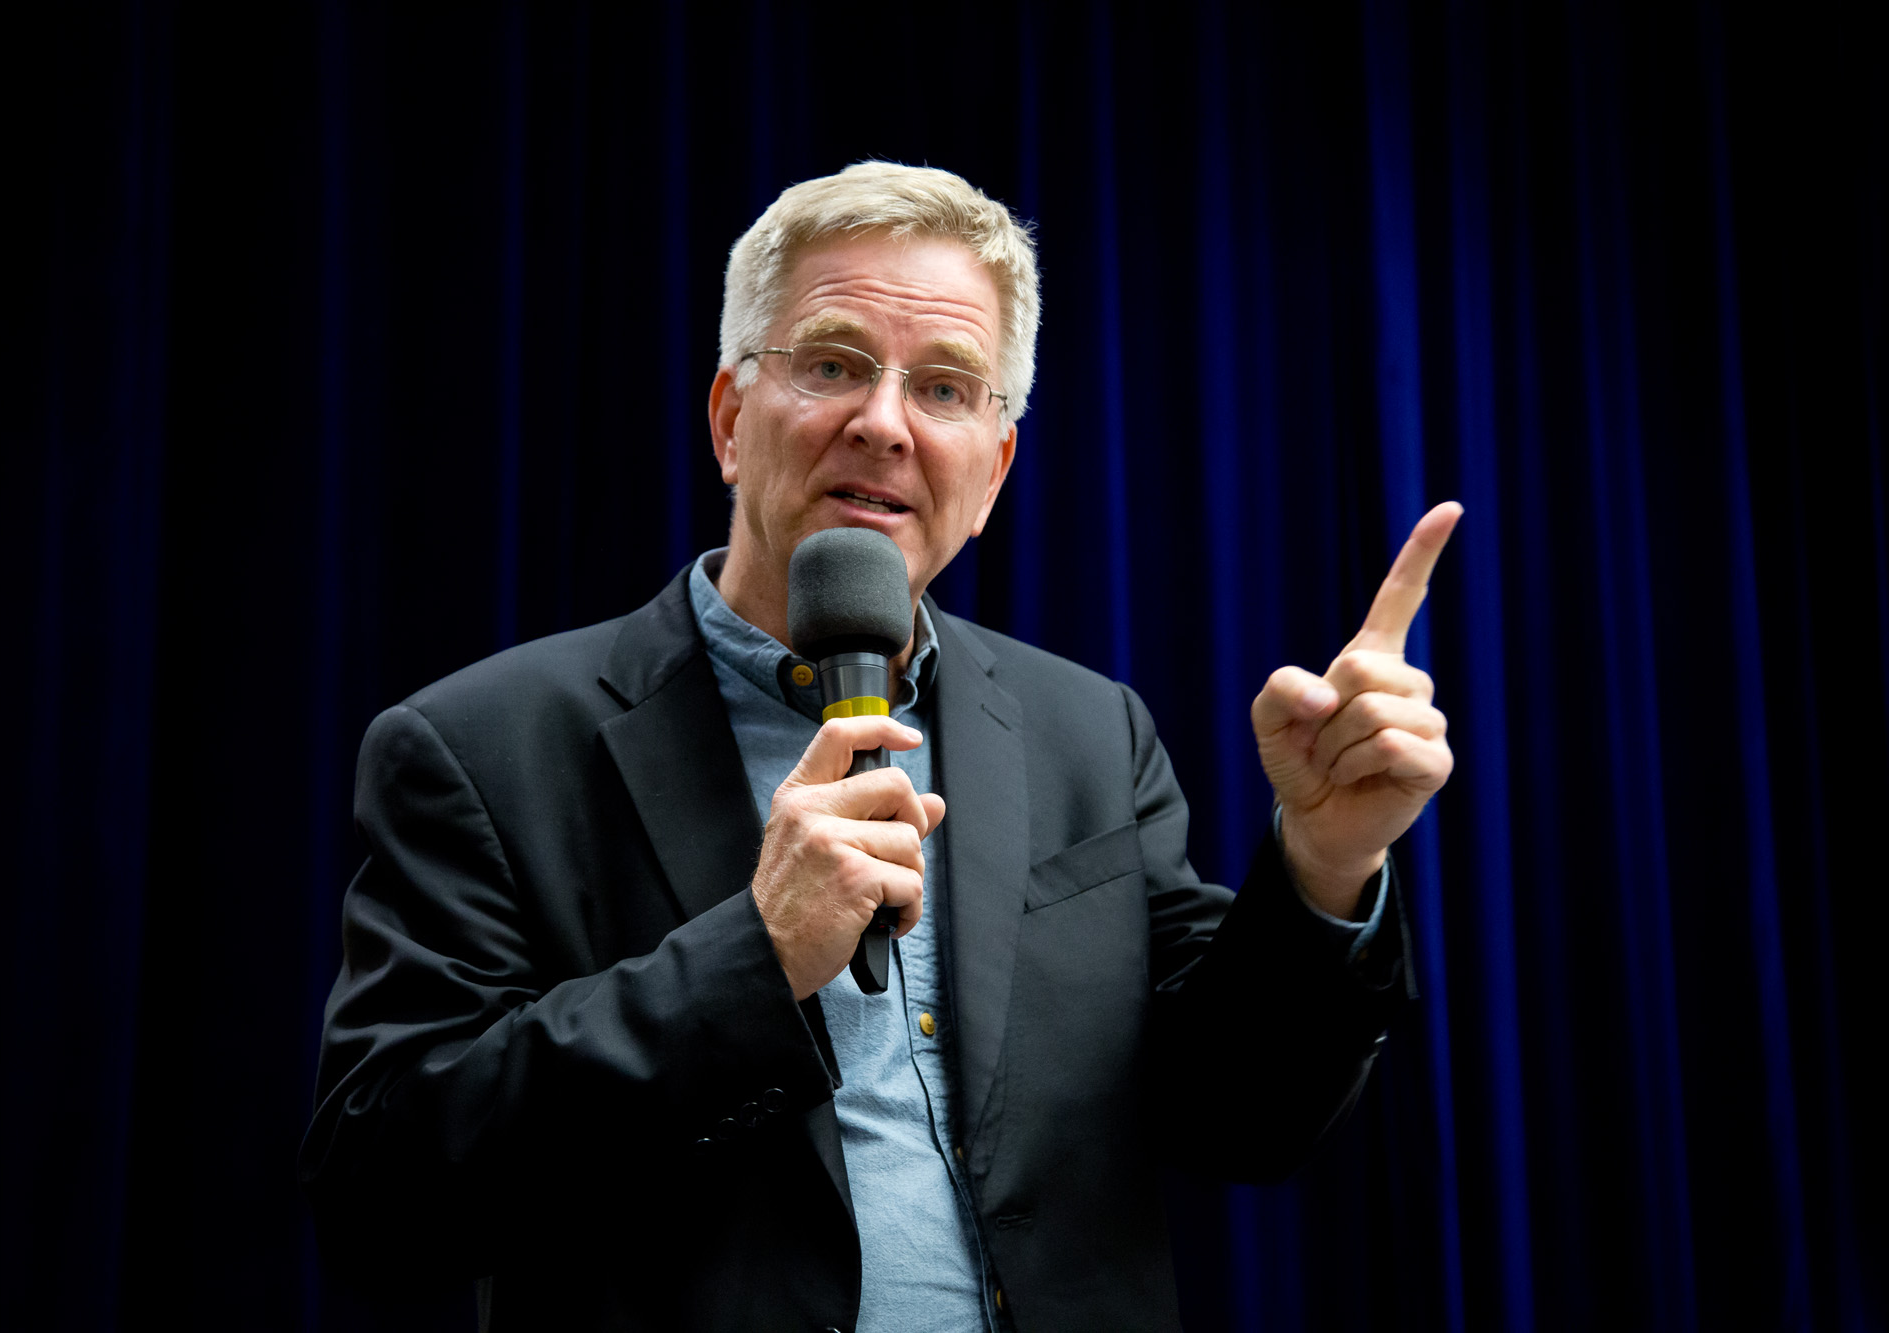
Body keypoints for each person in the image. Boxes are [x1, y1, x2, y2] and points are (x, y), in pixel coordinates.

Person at [301, 162, 1459, 1332]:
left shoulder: (1088, 734)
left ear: (992, 472)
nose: (883, 423)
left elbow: (1238, 1120)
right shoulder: (483, 746)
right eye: (831, 365)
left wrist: (1326, 862)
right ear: (729, 421)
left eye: (945, 388)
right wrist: (754, 957)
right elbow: (382, 1192)